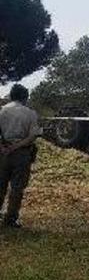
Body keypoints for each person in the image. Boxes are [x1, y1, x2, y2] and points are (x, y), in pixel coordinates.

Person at [0, 84, 42, 228]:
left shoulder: (2, 111)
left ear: (11, 96)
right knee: (17, 188)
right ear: (25, 97)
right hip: (22, 153)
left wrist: (5, 148)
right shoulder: (30, 113)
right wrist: (16, 147)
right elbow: (32, 136)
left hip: (3, 152)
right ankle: (11, 218)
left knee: (0, 184)